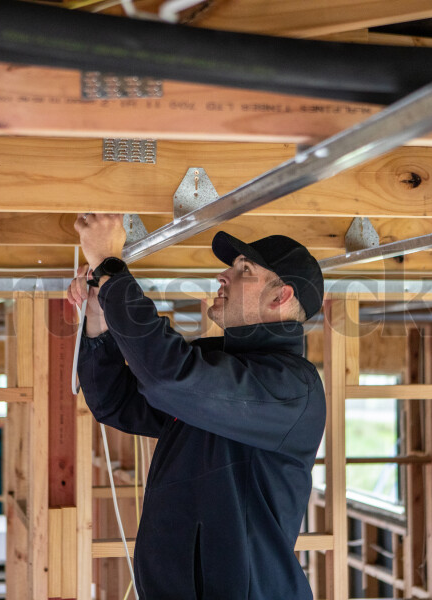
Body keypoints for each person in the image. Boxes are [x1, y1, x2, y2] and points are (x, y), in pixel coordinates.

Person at [68, 213, 326, 599]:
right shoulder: (218, 367)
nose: (223, 275)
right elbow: (116, 402)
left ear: (279, 297)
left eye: (243, 270)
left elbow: (169, 377)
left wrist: (110, 269)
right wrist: (98, 317)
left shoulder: (290, 386)